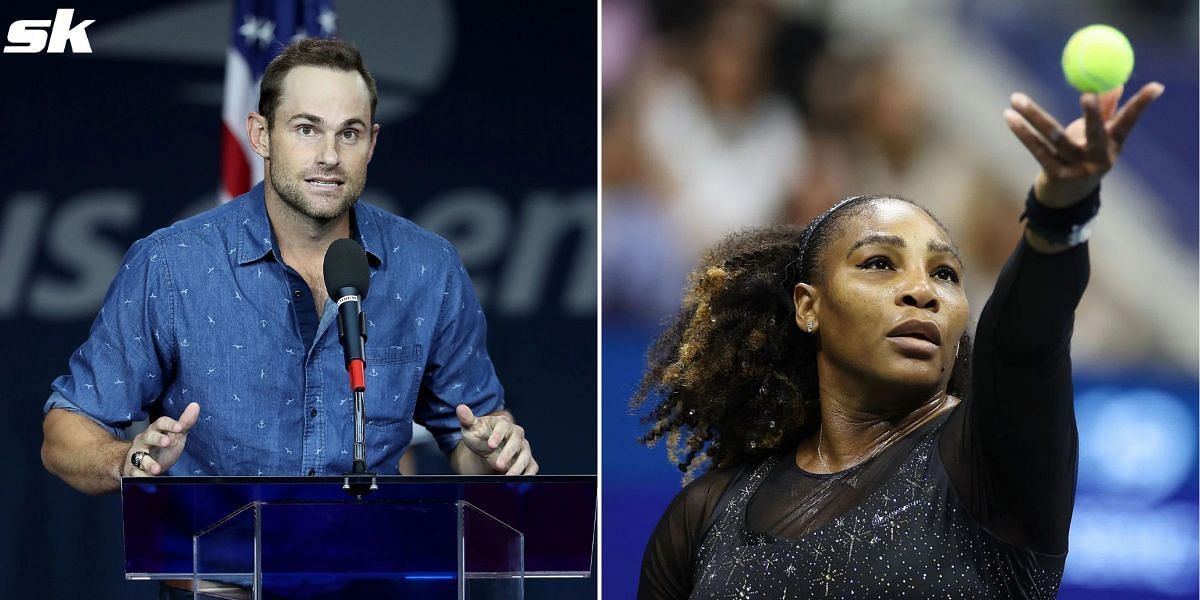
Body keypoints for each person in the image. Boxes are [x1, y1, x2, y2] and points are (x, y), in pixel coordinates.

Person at [634, 81, 1163, 598]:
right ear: (808, 306)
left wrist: (1060, 213)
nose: (921, 291)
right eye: (880, 263)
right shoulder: (704, 514)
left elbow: (1024, 343)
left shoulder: (989, 460)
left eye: (946, 275)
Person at [40, 38, 539, 498]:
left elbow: (470, 437)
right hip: (218, 589)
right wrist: (128, 460)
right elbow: (66, 431)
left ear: (372, 143)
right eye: (306, 129)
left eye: (350, 133)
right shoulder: (171, 265)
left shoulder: (429, 267)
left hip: (367, 581)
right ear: (260, 135)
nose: (329, 156)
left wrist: (489, 454)